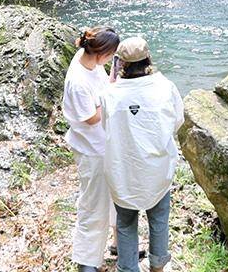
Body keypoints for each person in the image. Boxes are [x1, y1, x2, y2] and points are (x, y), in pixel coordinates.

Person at [101, 36, 183, 272]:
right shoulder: (165, 87)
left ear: (121, 64)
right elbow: (177, 121)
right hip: (156, 168)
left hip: (122, 168)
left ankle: (128, 268)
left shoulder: (111, 94)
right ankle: (157, 265)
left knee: (126, 224)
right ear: (148, 59)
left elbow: (105, 125)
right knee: (159, 219)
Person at [63, 26, 121, 272]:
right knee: (93, 203)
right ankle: (87, 260)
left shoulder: (88, 59)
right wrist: (116, 97)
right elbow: (91, 117)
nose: (110, 60)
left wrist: (113, 81)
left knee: (117, 194)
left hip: (105, 143)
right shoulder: (78, 81)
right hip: (91, 148)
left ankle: (120, 244)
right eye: (111, 56)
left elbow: (104, 86)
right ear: (101, 54)